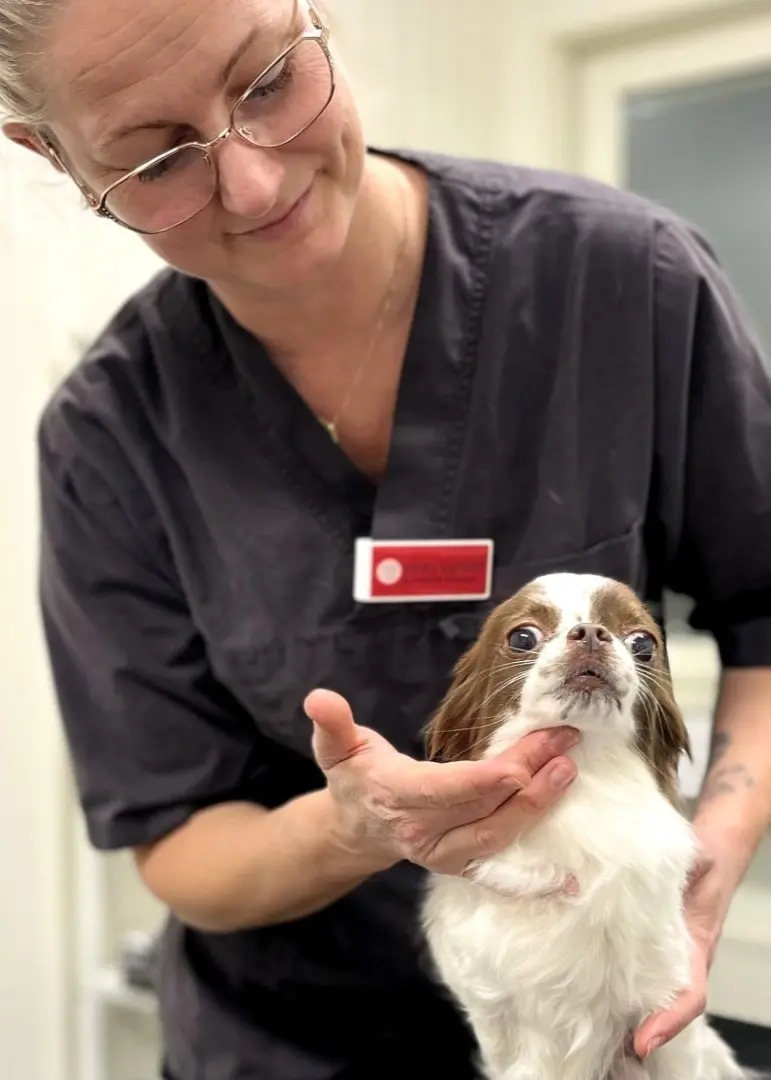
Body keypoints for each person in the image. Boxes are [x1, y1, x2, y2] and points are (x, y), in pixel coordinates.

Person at [3, 0, 771, 1076]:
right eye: (159, 158)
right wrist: (356, 828)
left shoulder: (629, 283)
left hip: (596, 1036)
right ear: (54, 157)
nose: (254, 182)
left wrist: (699, 870)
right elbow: (175, 839)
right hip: (285, 1045)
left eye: (269, 82)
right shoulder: (108, 440)